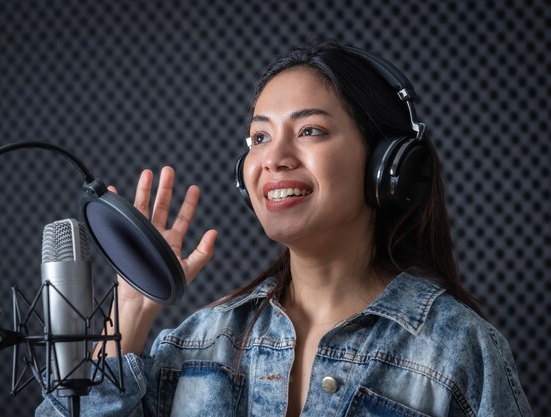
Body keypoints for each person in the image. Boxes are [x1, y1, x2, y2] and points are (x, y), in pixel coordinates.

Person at [36, 40, 533, 417]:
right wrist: (129, 313)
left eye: (310, 130)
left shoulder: (457, 349)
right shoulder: (197, 344)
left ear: (387, 166)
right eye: (259, 136)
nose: (273, 159)